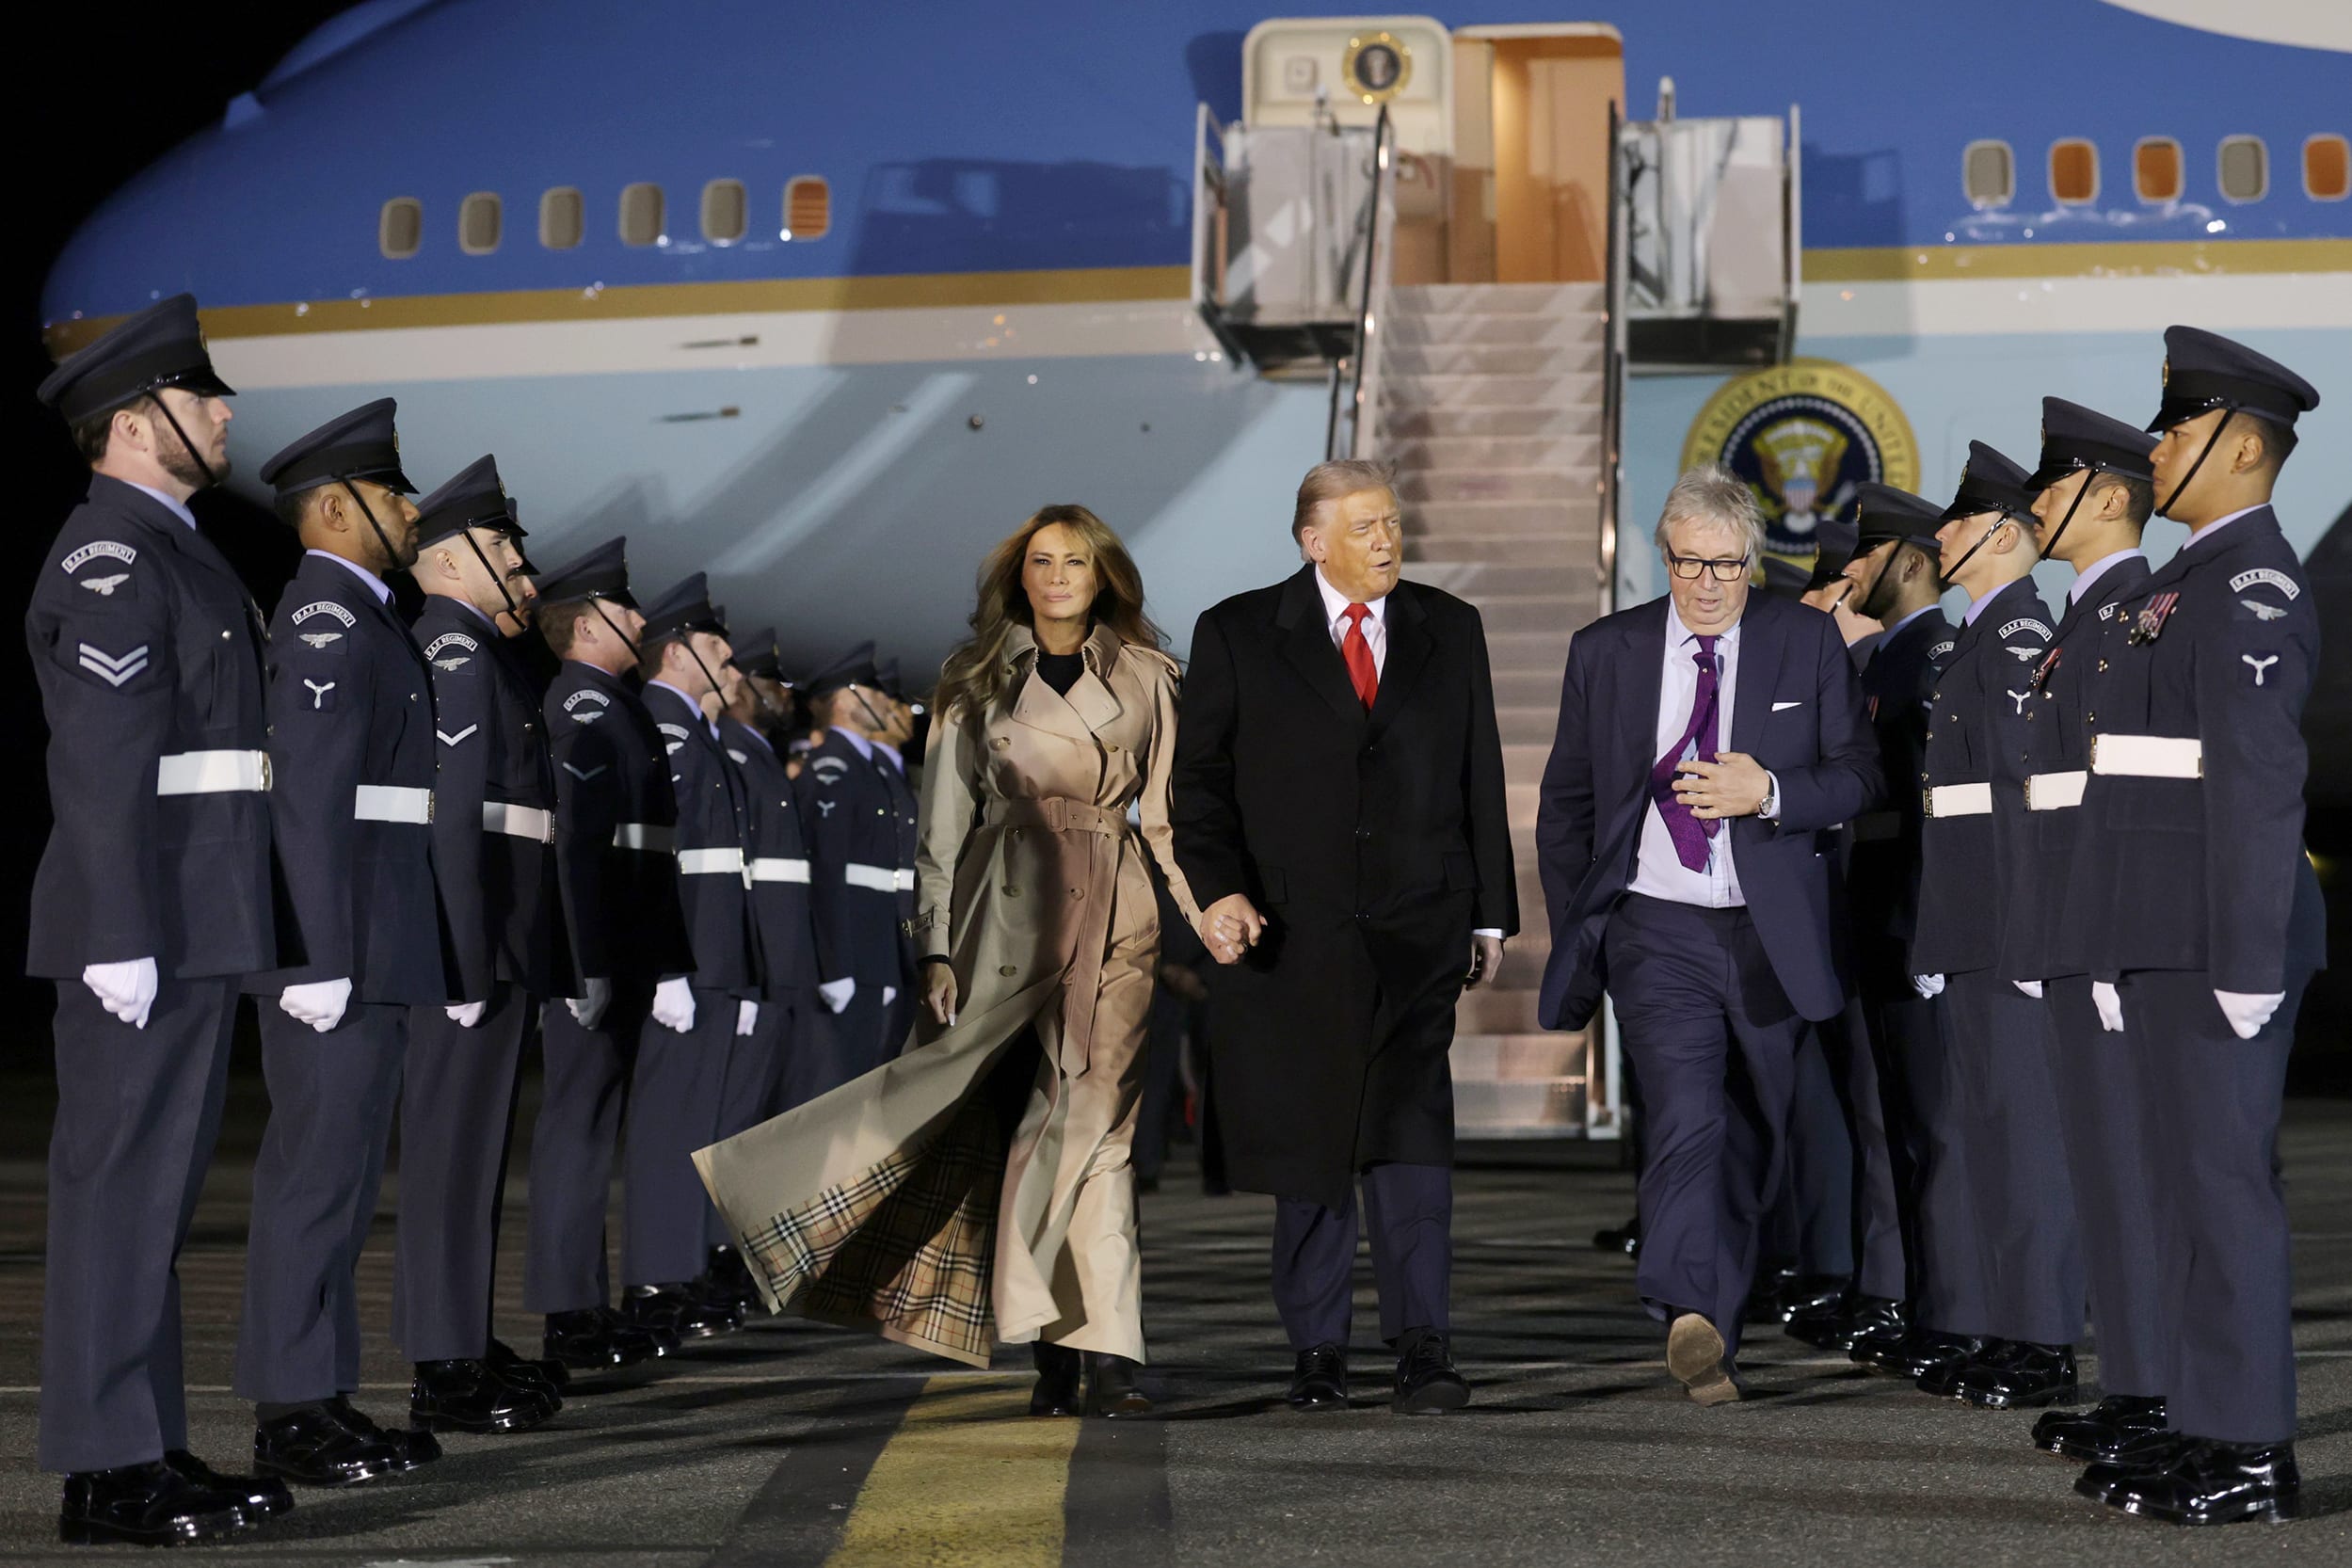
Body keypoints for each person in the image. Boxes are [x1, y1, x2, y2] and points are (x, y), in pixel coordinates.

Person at [698, 504, 1196, 1419]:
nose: (1056, 576)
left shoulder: (1154, 677)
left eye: (1075, 561)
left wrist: (1208, 920)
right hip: (1002, 914)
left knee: (1098, 1126)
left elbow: (1164, 820)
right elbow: (942, 830)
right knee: (1001, 1118)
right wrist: (933, 945)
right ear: (1019, 576)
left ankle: (1106, 1347)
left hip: (1116, 910)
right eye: (1041, 561)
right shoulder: (973, 680)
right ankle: (1037, 1331)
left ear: (1103, 575)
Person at [1170, 459, 1514, 1416]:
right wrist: (1219, 892)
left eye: (1393, 524)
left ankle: (1422, 1344)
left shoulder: (1450, 627)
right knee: (1311, 1145)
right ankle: (1318, 1348)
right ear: (1311, 540)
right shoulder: (1239, 632)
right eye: (1365, 528)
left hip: (1418, 927)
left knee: (1411, 1139)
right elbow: (1199, 789)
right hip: (1295, 935)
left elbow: (1478, 773)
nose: (1387, 542)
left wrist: (1491, 909)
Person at [31, 296, 293, 1545]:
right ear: (139, 421)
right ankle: (102, 1469)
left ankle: (146, 1442)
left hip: (196, 916)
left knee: (155, 1197)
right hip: (143, 925)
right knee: (116, 1190)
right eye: (202, 395)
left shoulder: (179, 548)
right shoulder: (114, 557)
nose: (225, 409)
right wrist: (117, 930)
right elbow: (101, 760)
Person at [1535, 465, 1879, 1404]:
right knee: (1689, 1114)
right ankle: (1696, 1315)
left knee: (1758, 1125)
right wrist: (1589, 926)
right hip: (1658, 929)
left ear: (1752, 559)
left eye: (1727, 565)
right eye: (1689, 563)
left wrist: (1767, 791)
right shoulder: (1605, 652)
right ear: (1664, 556)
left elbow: (1859, 775)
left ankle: (1719, 1288)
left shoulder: (1803, 641)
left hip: (1774, 933)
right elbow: (1565, 807)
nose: (1708, 584)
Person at [2065, 328, 2324, 1526]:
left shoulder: (2253, 580)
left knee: (2223, 1195)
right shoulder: (2184, 582)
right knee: (2179, 1192)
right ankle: (2202, 1418)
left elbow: (2259, 782)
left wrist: (2251, 956)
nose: (2157, 444)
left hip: (2222, 943)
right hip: (2162, 934)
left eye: (2177, 426)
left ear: (2241, 445)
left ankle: (2256, 1453)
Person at [239, 400, 447, 1485]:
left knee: (344, 1175)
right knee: (314, 1178)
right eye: (393, 493)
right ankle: (291, 1406)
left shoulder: (367, 617)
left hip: (374, 936)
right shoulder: (326, 616)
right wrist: (316, 955)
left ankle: (320, 1393)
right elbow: (310, 800)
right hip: (340, 947)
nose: (413, 512)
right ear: (334, 507)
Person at [1904, 443, 2087, 1411]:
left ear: (2003, 534)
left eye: (1958, 521)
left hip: (2005, 937)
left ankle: (2045, 1336)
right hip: (1971, 930)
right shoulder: (1985, 637)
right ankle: (2015, 1326)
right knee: (1987, 1135)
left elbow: (2026, 810)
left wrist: (2024, 941)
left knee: (2025, 1140)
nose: (1939, 535)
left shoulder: (2017, 639)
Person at [1999, 402, 2163, 1464]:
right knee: (2103, 1170)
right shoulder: (2082, 620)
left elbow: (2140, 804)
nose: (2038, 507)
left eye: (2054, 489)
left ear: (2109, 498)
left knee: (2136, 1170)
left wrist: (2102, 943)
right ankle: (2136, 1378)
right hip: (2066, 927)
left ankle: (2157, 1387)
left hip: (2108, 932)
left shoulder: (2136, 615)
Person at [392, 456, 568, 1433]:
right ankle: (439, 1356)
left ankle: (462, 1334)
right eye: (505, 548)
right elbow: (452, 818)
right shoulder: (451, 652)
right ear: (455, 558)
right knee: (448, 1155)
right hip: (471, 946)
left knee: (474, 1154)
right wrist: (459, 952)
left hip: (499, 937)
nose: (525, 574)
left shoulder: (484, 652)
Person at [527, 539, 700, 1366]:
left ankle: (586, 1302)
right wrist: (583, 960)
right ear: (590, 623)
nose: (641, 621)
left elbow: (642, 851)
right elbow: (575, 851)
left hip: (625, 949)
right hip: (598, 953)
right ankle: (568, 1309)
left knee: (595, 1129)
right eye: (627, 608)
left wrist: (660, 961)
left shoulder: (615, 704)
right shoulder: (582, 707)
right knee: (576, 1127)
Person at [1827, 487, 1967, 1379]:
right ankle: (1924, 1305)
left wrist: (1932, 936)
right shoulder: (1887, 662)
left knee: (1938, 1137)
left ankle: (1953, 1312)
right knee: (1903, 1134)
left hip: (1918, 926)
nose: (1852, 573)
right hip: (1881, 925)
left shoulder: (1935, 659)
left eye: (1865, 556)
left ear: (1905, 562)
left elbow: (1941, 820)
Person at [627, 575, 760, 1337]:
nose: (731, 665)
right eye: (717, 649)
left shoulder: (695, 731)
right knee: (668, 1126)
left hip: (711, 960)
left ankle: (675, 1270)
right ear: (678, 654)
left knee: (696, 1127)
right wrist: (666, 965)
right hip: (684, 962)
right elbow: (657, 863)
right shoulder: (667, 730)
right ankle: (654, 1279)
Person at [704, 628, 822, 1307]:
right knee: (730, 1123)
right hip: (748, 973)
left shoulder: (756, 756)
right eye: (770, 682)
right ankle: (712, 1257)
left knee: (755, 1122)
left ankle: (730, 1252)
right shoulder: (733, 755)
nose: (783, 696)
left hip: (773, 972)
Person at [794, 644, 910, 1097]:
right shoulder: (834, 768)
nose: (885, 701)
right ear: (844, 701)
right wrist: (835, 966)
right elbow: (826, 873)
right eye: (872, 692)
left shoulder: (865, 768)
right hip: (851, 959)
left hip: (872, 955)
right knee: (829, 1090)